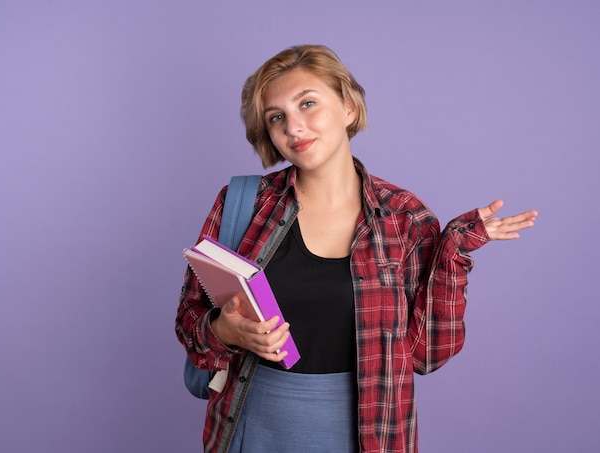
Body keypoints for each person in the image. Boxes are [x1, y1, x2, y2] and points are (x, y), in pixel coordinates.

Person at [176, 44, 537, 453]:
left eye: (307, 103)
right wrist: (224, 329)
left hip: (370, 433)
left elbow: (426, 355)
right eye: (277, 117)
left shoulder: (406, 218)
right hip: (250, 425)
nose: (294, 128)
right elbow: (189, 317)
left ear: (348, 108)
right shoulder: (242, 203)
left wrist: (452, 251)